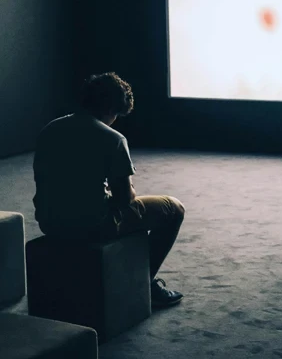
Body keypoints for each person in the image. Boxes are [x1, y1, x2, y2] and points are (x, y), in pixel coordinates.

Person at [32, 72, 185, 307]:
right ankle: (145, 282)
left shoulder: (50, 129)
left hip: (50, 221)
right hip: (91, 225)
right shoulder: (112, 138)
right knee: (173, 208)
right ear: (114, 108)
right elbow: (125, 199)